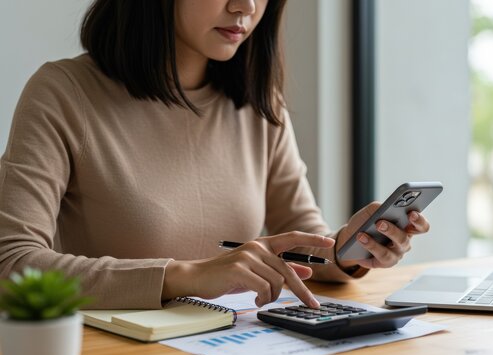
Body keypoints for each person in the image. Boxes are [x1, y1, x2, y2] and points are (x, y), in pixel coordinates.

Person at [0, 0, 430, 310]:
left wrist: (344, 250)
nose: (245, 6)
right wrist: (186, 275)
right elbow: (13, 264)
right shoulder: (63, 92)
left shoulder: (261, 106)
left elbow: (299, 245)